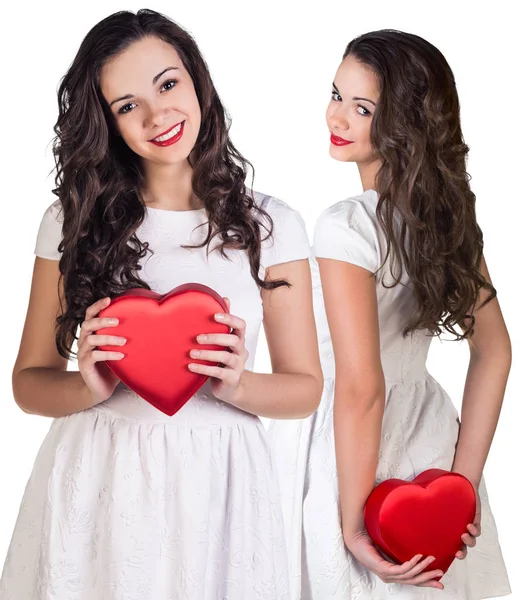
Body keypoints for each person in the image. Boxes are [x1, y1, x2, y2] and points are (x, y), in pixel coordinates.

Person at [0, 9, 323, 599]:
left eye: (168, 84)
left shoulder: (273, 224)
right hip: (101, 475)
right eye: (127, 106)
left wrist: (236, 384)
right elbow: (28, 382)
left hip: (221, 486)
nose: (157, 115)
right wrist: (87, 386)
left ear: (197, 81)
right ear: (107, 123)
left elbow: (305, 389)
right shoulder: (70, 222)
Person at [269, 29, 511, 599]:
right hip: (427, 437)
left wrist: (353, 525)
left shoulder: (345, 225)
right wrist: (461, 484)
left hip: (344, 443)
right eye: (336, 94)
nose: (337, 116)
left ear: (406, 123)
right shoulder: (447, 223)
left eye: (362, 108)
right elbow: (495, 350)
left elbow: (361, 387)